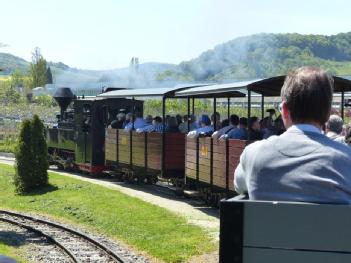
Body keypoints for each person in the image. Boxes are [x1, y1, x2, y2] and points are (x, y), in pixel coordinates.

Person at [234, 67, 351, 204]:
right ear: (328, 114)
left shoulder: (253, 154)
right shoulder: (346, 159)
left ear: (284, 110)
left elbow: (238, 186)